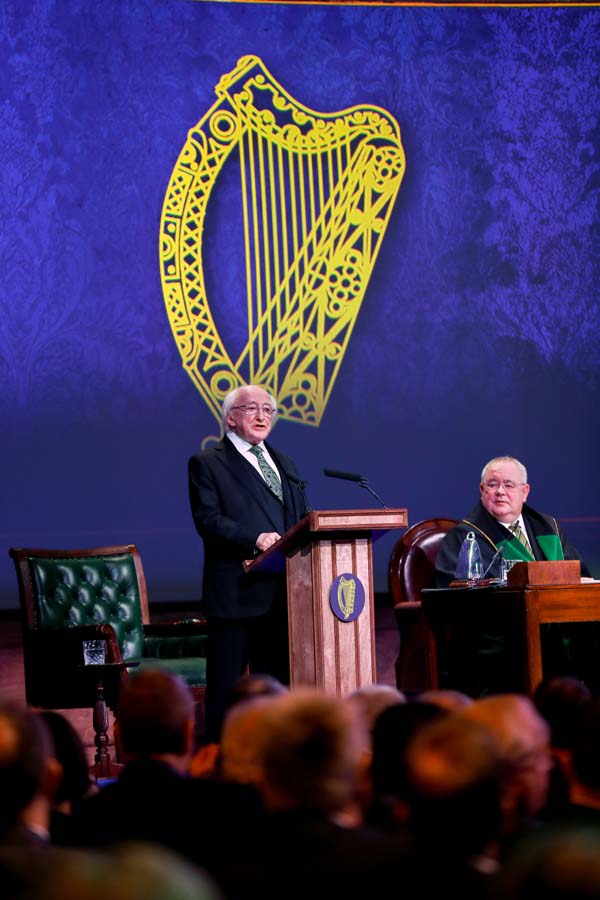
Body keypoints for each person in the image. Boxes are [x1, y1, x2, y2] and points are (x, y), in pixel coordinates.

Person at [188, 384, 306, 741]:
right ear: (230, 418)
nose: (261, 415)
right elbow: (208, 519)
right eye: (251, 408)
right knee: (225, 695)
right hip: (236, 595)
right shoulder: (208, 462)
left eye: (268, 410)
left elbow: (299, 520)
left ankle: (274, 761)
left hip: (283, 597)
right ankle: (217, 766)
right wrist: (254, 539)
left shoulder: (285, 463)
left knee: (278, 693)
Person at [435, 455, 590, 587]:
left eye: (509, 485)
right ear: (482, 491)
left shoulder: (549, 527)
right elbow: (453, 595)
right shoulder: (464, 538)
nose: (500, 492)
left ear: (525, 492)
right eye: (492, 485)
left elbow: (580, 576)